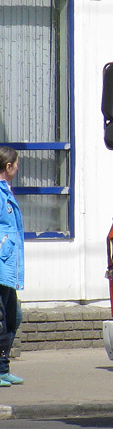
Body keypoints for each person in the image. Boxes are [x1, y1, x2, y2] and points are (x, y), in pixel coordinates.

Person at [0, 146, 24, 388]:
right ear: (8, 167)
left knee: (13, 315)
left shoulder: (6, 190)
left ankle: (3, 368)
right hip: (1, 264)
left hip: (8, 266)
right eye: (16, 164)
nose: (18, 168)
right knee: (2, 318)